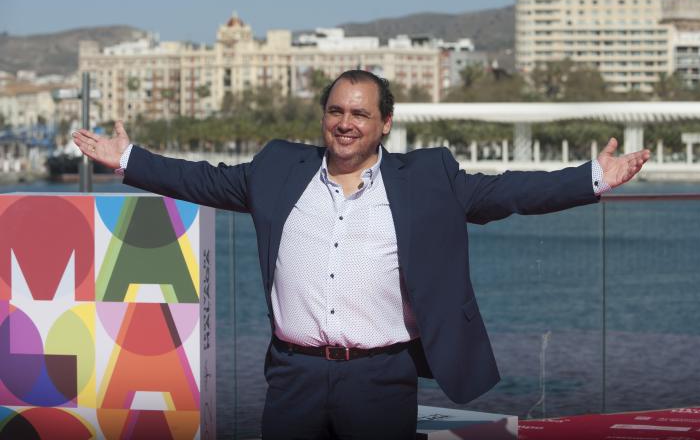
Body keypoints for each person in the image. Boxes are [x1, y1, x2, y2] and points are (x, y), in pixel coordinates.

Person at [73, 69, 649, 439]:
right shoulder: (279, 168)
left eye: (360, 114)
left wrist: (591, 179)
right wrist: (130, 161)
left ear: (384, 124)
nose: (345, 124)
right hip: (293, 374)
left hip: (380, 377)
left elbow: (509, 192)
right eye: (336, 112)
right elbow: (205, 180)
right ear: (324, 116)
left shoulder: (428, 180)